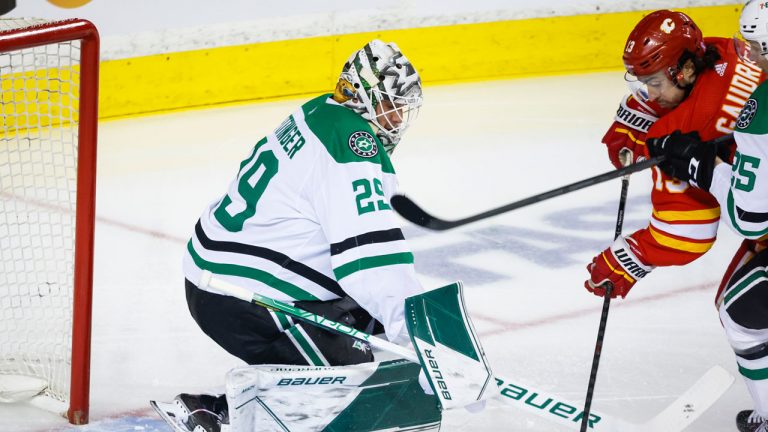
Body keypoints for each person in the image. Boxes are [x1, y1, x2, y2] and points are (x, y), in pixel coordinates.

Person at [172, 39, 430, 432]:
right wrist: (417, 338)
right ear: (362, 97)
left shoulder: (322, 110)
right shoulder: (351, 144)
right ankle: (220, 413)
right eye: (389, 107)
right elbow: (371, 260)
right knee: (352, 391)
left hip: (219, 272)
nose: (395, 120)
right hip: (238, 296)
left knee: (364, 321)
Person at [642, 2, 768, 431]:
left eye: (753, 46)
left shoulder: (761, 110)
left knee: (741, 312)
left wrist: (701, 166)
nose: (746, 54)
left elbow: (751, 217)